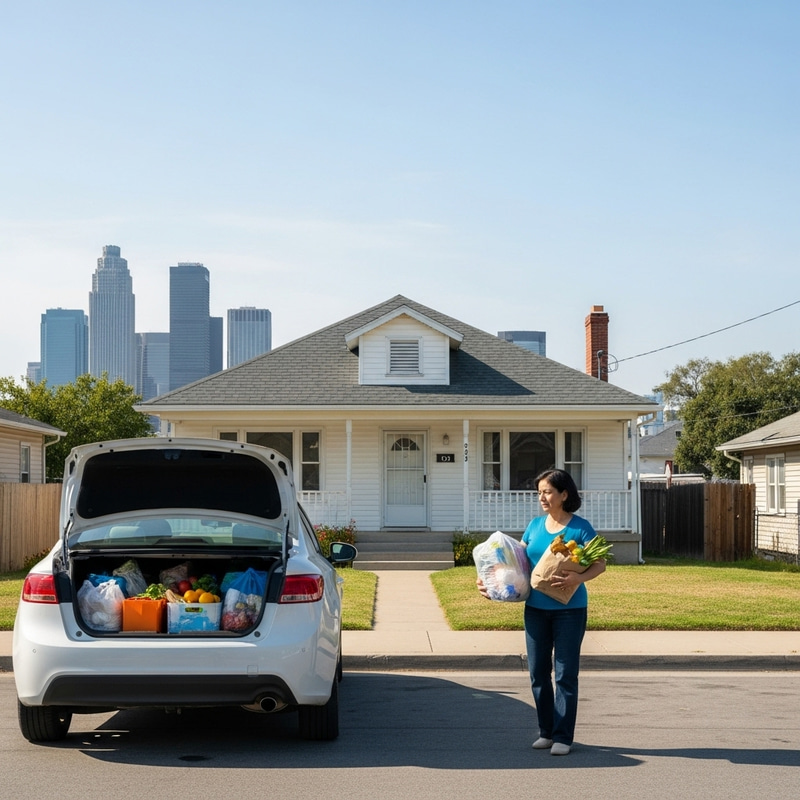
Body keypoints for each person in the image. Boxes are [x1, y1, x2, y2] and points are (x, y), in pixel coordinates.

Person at [478, 467, 606, 756]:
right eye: (540, 493)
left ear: (564, 494)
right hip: (535, 609)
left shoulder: (580, 528)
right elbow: (518, 566)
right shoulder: (535, 526)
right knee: (537, 672)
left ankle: (563, 736)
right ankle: (546, 731)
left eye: (548, 492)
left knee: (564, 674)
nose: (543, 498)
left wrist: (578, 578)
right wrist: (490, 580)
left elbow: (600, 564)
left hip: (569, 610)